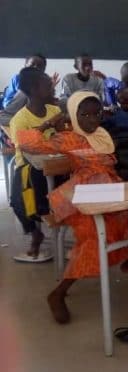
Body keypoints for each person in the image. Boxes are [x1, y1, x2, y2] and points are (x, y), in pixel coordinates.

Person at [16, 91, 128, 323]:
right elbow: (28, 145)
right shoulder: (68, 138)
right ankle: (58, 294)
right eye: (84, 114)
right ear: (73, 115)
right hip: (82, 194)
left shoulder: (102, 134)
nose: (92, 119)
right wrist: (49, 124)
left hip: (110, 190)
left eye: (97, 113)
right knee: (95, 239)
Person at [9, 68, 62, 262]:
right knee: (18, 200)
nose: (52, 87)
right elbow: (26, 148)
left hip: (56, 165)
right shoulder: (19, 119)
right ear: (33, 90)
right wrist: (47, 125)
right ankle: (35, 232)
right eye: (47, 85)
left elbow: (64, 138)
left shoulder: (55, 111)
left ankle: (56, 219)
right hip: (28, 166)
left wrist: (60, 128)